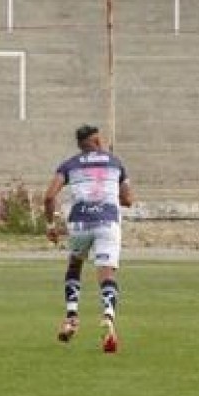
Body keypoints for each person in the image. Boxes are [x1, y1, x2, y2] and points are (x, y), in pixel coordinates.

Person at [43, 124, 134, 353]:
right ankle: (108, 317)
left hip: (80, 223)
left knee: (75, 266)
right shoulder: (115, 163)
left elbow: (49, 196)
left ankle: (71, 317)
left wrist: (51, 224)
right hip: (108, 222)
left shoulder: (69, 165)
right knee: (106, 273)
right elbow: (128, 200)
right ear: (95, 141)